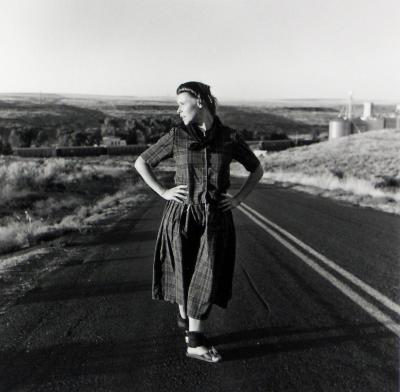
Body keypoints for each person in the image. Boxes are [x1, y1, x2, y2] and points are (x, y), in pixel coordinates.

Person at [134, 81, 264, 363]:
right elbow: (141, 162)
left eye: (182, 103)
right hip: (181, 215)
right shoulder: (176, 136)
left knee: (205, 278)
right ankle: (191, 331)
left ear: (201, 101)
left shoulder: (229, 138)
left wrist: (239, 198)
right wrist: (164, 192)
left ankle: (195, 341)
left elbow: (257, 168)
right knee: (183, 274)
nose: (178, 110)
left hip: (215, 218)